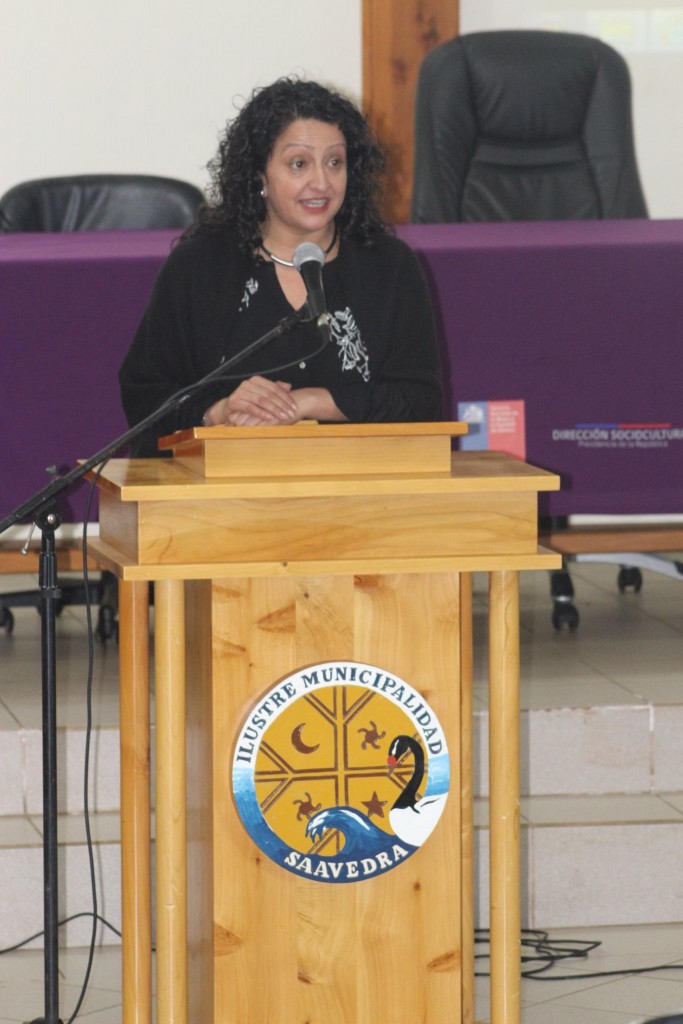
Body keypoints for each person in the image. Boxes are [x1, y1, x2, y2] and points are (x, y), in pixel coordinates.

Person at [119, 77, 443, 456]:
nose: (321, 182)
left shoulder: (389, 267)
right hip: (219, 500)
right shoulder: (200, 267)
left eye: (335, 162)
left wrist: (307, 402)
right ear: (261, 176)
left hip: (361, 497)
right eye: (298, 164)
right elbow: (146, 395)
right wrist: (219, 410)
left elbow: (421, 400)